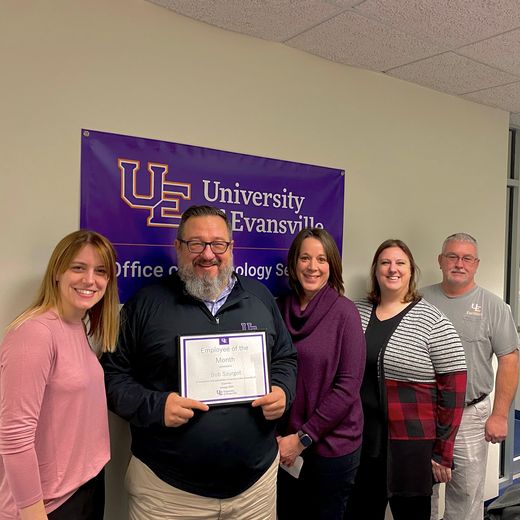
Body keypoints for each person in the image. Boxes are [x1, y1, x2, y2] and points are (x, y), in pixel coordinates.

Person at [102, 204, 297, 520]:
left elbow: (285, 357)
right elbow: (112, 375)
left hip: (255, 491)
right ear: (178, 247)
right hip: (168, 496)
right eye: (196, 244)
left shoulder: (259, 298)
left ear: (231, 248)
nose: (208, 254)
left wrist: (283, 390)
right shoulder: (146, 304)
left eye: (218, 244)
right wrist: (155, 406)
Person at [0, 230, 120, 520]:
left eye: (100, 271)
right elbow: (14, 438)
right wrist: (32, 514)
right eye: (78, 268)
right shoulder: (34, 334)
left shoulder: (78, 325)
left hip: (85, 487)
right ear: (57, 272)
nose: (90, 280)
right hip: (48, 505)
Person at [346, 239, 467, 520]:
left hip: (411, 446)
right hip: (362, 442)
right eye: (385, 263)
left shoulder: (433, 321)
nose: (392, 269)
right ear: (375, 270)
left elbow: (453, 391)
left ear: (411, 271)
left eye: (400, 263)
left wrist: (442, 452)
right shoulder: (355, 312)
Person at [421, 233, 520, 520]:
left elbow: (509, 360)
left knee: (465, 496)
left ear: (476, 264)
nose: (459, 264)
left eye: (466, 258)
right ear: (440, 261)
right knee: (421, 491)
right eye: (452, 256)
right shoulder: (419, 299)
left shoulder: (494, 307)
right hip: (424, 412)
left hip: (469, 414)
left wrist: (500, 414)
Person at [276, 228, 365, 519]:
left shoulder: (345, 313)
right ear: (293, 263)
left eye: (321, 259)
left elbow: (347, 387)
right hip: (285, 444)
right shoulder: (279, 309)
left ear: (332, 266)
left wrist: (302, 438)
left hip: (331, 448)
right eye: (305, 258)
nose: (312, 267)